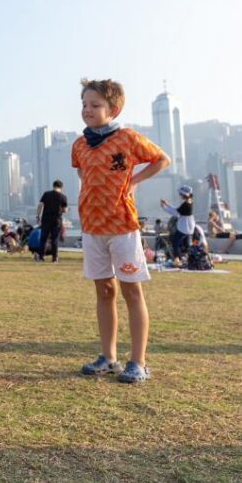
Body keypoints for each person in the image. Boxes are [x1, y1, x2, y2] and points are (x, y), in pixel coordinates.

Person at [73, 78, 171, 384]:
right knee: (104, 291)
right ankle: (108, 357)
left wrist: (134, 180)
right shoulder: (79, 145)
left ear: (113, 109)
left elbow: (161, 160)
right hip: (92, 227)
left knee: (131, 290)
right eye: (84, 105)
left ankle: (138, 362)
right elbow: (82, 171)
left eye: (95, 105)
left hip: (122, 226)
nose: (87, 110)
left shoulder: (128, 138)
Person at [36, 179, 68, 262]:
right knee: (55, 239)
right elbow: (64, 210)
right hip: (57, 220)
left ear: (53, 186)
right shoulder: (63, 197)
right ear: (61, 187)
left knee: (43, 238)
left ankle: (41, 257)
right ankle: (54, 258)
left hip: (46, 219)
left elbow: (40, 205)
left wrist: (38, 216)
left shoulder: (46, 194)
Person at [161, 186, 196, 261]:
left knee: (175, 243)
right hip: (189, 227)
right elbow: (177, 210)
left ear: (184, 194)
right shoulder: (189, 201)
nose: (180, 195)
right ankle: (189, 259)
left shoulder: (186, 204)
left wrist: (164, 207)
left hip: (184, 227)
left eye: (180, 194)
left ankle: (179, 259)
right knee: (187, 245)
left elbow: (175, 213)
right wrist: (167, 205)